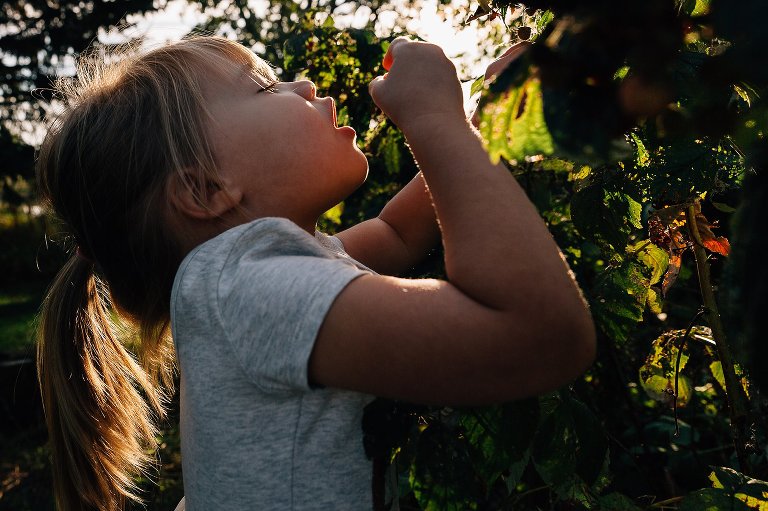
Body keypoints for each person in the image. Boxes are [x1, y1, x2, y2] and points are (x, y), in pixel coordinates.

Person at [35, 35, 595, 511]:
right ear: (204, 189)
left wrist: (485, 128)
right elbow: (539, 335)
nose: (301, 86)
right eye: (264, 87)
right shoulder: (247, 288)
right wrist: (432, 119)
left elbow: (397, 233)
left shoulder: (243, 280)